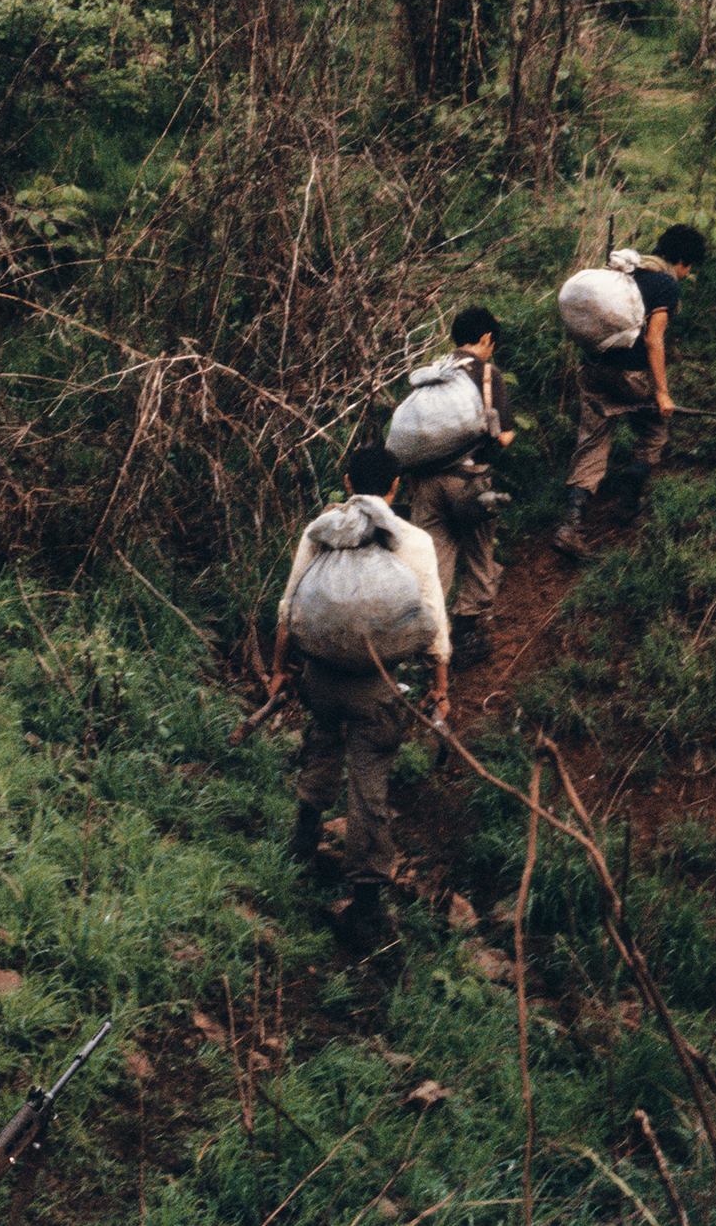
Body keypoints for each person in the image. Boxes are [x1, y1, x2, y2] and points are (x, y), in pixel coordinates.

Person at [267, 446, 450, 948]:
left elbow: (289, 606)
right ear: (397, 487)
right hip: (381, 687)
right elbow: (434, 620)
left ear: (347, 481)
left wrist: (279, 670)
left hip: (322, 681)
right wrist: (440, 688)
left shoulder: (320, 531)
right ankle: (366, 906)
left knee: (321, 743)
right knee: (370, 783)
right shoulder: (413, 540)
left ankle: (304, 840)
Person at [552, 223, 707, 562]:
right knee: (655, 426)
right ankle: (628, 503)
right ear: (681, 260)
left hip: (592, 369)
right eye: (689, 266)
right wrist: (662, 394)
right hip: (631, 376)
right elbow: (653, 340)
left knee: (592, 439)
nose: (687, 273)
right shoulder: (665, 283)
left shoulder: (628, 271)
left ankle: (571, 524)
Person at [406, 306, 514, 667]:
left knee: (434, 564)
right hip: (470, 483)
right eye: (492, 343)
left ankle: (428, 646)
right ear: (486, 338)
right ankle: (467, 634)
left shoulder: (434, 373)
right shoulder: (487, 374)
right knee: (480, 553)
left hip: (424, 485)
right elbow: (505, 439)